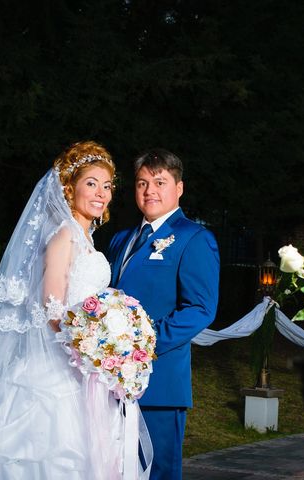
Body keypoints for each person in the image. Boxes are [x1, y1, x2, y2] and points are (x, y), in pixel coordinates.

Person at [0, 141, 151, 479]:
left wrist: (111, 342)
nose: (102, 193)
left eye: (107, 185)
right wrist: (90, 348)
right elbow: (51, 307)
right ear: (70, 187)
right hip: (57, 369)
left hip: (84, 369)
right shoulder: (64, 235)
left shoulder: (86, 237)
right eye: (91, 183)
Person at [107, 148, 220, 480]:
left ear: (179, 188)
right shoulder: (120, 239)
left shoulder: (195, 238)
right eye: (142, 183)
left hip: (159, 381)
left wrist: (141, 344)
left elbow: (201, 309)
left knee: (157, 472)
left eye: (160, 182)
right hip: (111, 381)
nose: (150, 191)